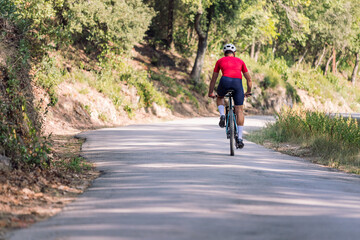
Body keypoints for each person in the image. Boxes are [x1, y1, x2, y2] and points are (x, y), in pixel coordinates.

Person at [208, 43, 252, 149]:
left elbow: (214, 78)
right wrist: (248, 92)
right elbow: (249, 79)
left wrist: (210, 92)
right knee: (239, 110)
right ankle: (240, 138)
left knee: (220, 97)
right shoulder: (240, 61)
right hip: (238, 84)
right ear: (234, 53)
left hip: (225, 81)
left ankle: (222, 115)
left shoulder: (220, 61)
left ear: (224, 53)